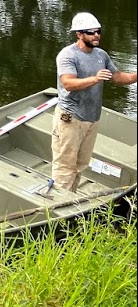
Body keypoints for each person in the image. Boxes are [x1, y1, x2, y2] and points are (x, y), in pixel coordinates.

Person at [52, 11, 137, 192]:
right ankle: (57, 209)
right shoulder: (68, 55)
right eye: (90, 32)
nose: (96, 35)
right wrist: (95, 79)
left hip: (92, 119)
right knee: (65, 166)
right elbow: (68, 83)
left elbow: (120, 77)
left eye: (98, 31)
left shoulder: (101, 55)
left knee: (81, 164)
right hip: (71, 118)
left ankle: (70, 198)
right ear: (79, 34)